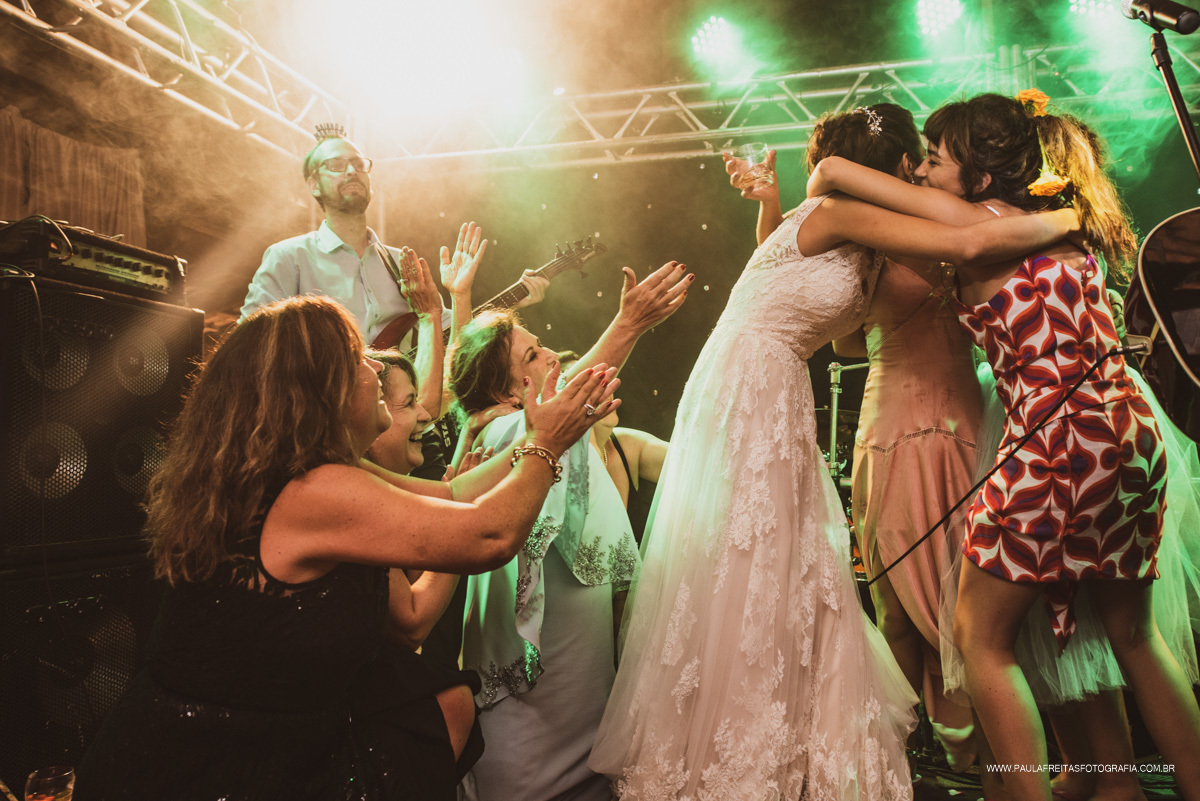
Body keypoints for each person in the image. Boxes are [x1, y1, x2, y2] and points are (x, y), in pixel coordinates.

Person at [588, 103, 1080, 801]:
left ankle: (777, 733)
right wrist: (1068, 218)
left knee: (774, 561)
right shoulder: (836, 210)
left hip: (769, 377)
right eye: (916, 161)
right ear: (896, 166)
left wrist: (767, 206)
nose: (921, 171)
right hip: (756, 377)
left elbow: (788, 279)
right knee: (755, 556)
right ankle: (741, 745)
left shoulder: (836, 228)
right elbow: (969, 244)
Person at [807, 92, 1200, 801]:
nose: (922, 172)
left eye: (935, 158)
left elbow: (837, 177)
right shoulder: (1051, 223)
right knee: (1135, 635)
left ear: (981, 178)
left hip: (1059, 445)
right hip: (1129, 434)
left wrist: (829, 178)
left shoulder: (983, 222)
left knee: (979, 637)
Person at [75, 295, 619, 801]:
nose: (378, 368)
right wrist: (547, 445)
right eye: (359, 358)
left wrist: (542, 434)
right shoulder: (313, 492)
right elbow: (488, 536)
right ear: (320, 388)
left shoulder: (308, 472)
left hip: (267, 735)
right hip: (214, 767)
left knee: (434, 705)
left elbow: (454, 492)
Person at [725, 145, 982, 772]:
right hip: (878, 426)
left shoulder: (935, 223)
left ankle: (975, 743)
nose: (919, 170)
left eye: (931, 159)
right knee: (889, 596)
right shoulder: (865, 238)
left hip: (942, 423)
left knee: (949, 594)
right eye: (915, 160)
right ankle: (908, 740)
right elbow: (831, 328)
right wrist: (772, 212)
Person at [449, 261, 691, 801]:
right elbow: (574, 395)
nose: (554, 356)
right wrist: (628, 323)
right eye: (532, 356)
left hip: (587, 718)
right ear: (511, 395)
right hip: (531, 735)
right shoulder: (510, 433)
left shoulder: (541, 438)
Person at [238, 127, 548, 419]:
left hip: (400, 418)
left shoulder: (401, 262)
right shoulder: (289, 256)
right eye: (335, 164)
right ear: (314, 184)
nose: (350, 171)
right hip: (324, 415)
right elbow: (249, 341)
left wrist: (477, 296)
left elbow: (458, 341)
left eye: (358, 163)